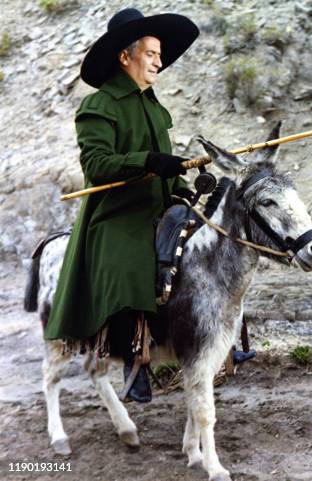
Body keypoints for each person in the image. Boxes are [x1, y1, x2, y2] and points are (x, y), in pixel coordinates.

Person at [43, 8, 199, 403]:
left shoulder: (154, 106)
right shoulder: (100, 105)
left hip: (159, 204)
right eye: (151, 53)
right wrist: (145, 162)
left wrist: (183, 184)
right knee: (129, 259)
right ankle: (133, 358)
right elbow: (96, 166)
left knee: (210, 246)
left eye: (160, 55)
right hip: (117, 213)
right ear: (125, 56)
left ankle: (211, 341)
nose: (160, 62)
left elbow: (165, 164)